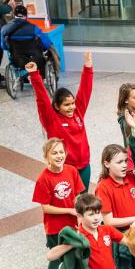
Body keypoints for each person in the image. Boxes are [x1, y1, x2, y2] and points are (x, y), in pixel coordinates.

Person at [32, 138, 86, 269]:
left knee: (77, 255)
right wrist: (68, 211)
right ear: (46, 157)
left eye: (61, 152)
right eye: (54, 153)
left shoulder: (71, 170)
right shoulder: (43, 179)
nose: (59, 155)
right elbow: (45, 207)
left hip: (73, 224)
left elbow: (78, 193)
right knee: (57, 259)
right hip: (56, 228)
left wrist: (78, 211)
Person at [28, 53, 94, 189]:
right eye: (67, 105)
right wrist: (34, 75)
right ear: (57, 106)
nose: (71, 107)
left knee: (83, 203)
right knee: (68, 203)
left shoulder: (78, 112)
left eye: (73, 103)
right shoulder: (51, 119)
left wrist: (88, 66)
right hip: (65, 168)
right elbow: (42, 99)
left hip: (84, 166)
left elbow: (85, 91)